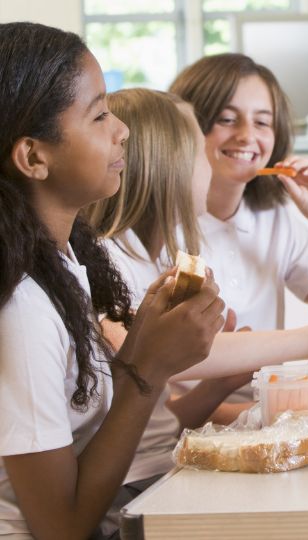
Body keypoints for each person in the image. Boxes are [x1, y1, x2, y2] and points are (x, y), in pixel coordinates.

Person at [83, 88, 308, 500]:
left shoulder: (157, 257)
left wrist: (221, 388)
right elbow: (140, 353)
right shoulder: (110, 257)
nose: (209, 166)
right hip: (138, 482)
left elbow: (160, 415)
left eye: (263, 121)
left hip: (162, 466)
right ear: (169, 166)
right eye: (200, 151)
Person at [0, 22, 223, 538]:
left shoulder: (66, 262)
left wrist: (144, 343)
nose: (122, 130)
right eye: (99, 115)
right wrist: (147, 369)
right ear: (34, 156)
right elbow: (61, 528)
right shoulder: (22, 310)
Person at [169, 54, 308, 415]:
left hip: (269, 415)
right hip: (193, 429)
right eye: (226, 119)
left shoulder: (273, 218)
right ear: (186, 127)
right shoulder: (156, 227)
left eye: (262, 122)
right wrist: (281, 412)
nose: (247, 136)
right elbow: (157, 408)